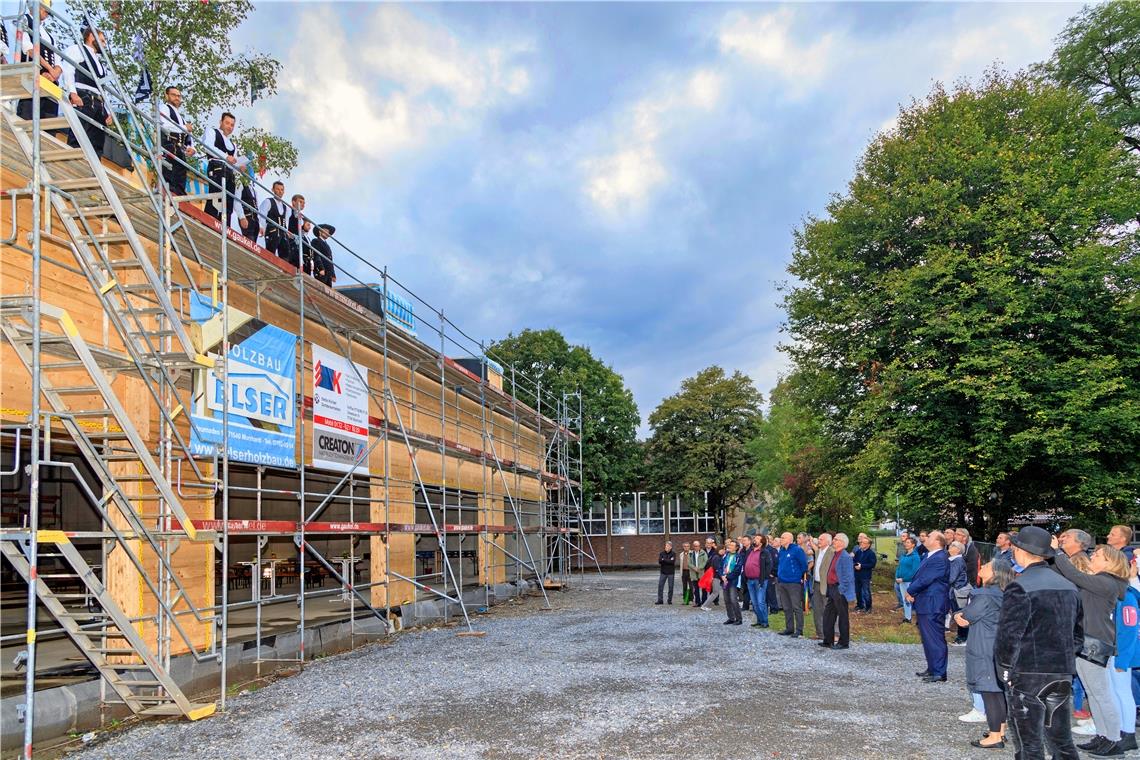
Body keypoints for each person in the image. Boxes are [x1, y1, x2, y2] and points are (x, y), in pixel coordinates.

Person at [995, 525, 1083, 760]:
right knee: (1061, 740)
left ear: (1019, 550)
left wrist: (1005, 670)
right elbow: (1078, 634)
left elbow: (1008, 635)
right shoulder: (1068, 586)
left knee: (1030, 744)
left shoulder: (1020, 586)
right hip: (1061, 671)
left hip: (1028, 673)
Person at [1055, 543, 1129, 756]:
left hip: (1094, 644)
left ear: (1109, 562)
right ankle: (1103, 735)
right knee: (1093, 692)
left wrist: (1057, 552)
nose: (1093, 556)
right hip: (1088, 641)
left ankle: (1114, 740)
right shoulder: (1105, 582)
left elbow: (1073, 574)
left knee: (1101, 694)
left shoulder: (1106, 582)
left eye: (1097, 554)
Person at [955, 560, 1015, 748]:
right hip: (998, 645)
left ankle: (995, 736)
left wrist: (958, 615)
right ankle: (1000, 730)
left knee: (990, 691)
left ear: (995, 573)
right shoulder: (1004, 594)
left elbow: (967, 617)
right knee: (998, 691)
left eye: (987, 566)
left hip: (984, 647)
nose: (982, 567)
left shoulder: (985, 595)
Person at [60, 27, 113, 151]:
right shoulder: (77, 49)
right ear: (91, 37)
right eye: (102, 40)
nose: (104, 44)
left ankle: (93, 169)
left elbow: (101, 88)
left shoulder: (100, 62)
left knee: (97, 142)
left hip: (98, 103)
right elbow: (68, 70)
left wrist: (107, 110)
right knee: (79, 134)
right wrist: (72, 93)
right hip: (83, 96)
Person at [908, 530, 950, 682]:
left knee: (935, 638)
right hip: (925, 602)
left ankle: (939, 672)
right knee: (927, 638)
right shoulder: (928, 555)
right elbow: (919, 576)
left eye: (930, 536)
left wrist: (910, 590)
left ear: (938, 541)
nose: (925, 538)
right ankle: (932, 668)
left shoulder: (940, 557)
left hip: (933, 603)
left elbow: (926, 579)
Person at [1110, 561, 1140, 752]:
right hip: (1114, 651)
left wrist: (1122, 659)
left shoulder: (1127, 596)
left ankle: (1128, 733)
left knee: (1122, 693)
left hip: (1121, 653)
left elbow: (1128, 631)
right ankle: (1119, 730)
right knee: (1115, 693)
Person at [17, 2, 62, 122]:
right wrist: (49, 69)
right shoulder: (24, 20)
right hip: (33, 80)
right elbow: (28, 49)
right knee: (27, 120)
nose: (47, 10)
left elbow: (58, 60)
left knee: (49, 127)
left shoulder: (50, 36)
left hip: (50, 85)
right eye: (44, 6)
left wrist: (53, 74)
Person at [203, 112, 248, 227]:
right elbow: (207, 146)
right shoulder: (213, 132)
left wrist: (239, 167)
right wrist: (226, 156)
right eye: (227, 123)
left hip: (229, 173)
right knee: (216, 197)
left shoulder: (233, 145)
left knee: (228, 203)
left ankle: (225, 228)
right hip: (217, 167)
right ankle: (209, 223)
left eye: (232, 125)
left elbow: (234, 161)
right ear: (221, 122)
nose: (230, 127)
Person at [819, 532, 855, 650]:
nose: (833, 541)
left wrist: (841, 590)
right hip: (832, 589)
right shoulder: (835, 554)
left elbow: (848, 577)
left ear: (842, 542)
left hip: (839, 590)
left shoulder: (845, 557)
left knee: (843, 617)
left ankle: (844, 642)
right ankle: (828, 640)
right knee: (828, 615)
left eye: (835, 539)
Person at [159, 87, 196, 197]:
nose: (177, 98)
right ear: (167, 96)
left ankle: (179, 196)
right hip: (169, 145)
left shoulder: (182, 118)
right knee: (168, 175)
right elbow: (164, 124)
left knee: (180, 179)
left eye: (178, 96)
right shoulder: (164, 107)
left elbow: (188, 136)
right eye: (173, 95)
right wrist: (184, 128)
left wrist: (192, 147)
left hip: (180, 150)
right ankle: (168, 194)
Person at [775, 531, 808, 637]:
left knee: (796, 607)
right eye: (781, 537)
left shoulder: (797, 550)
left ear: (789, 539)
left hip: (793, 583)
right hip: (782, 582)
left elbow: (804, 565)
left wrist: (797, 576)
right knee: (786, 607)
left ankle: (799, 630)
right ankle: (789, 628)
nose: (781, 539)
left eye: (783, 537)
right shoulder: (781, 550)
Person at [811, 532, 833, 639]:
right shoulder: (818, 552)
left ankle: (834, 633)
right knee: (817, 609)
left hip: (827, 585)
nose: (819, 541)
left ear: (828, 541)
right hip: (816, 584)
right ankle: (820, 633)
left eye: (821, 539)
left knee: (829, 609)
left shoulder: (832, 552)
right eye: (819, 539)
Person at [743, 534, 768, 628]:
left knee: (760, 602)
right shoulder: (750, 551)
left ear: (762, 542)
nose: (755, 539)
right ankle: (759, 620)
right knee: (754, 603)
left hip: (759, 581)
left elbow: (768, 566)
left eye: (758, 538)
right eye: (755, 538)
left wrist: (764, 578)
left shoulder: (765, 552)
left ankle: (765, 622)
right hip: (750, 580)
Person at [947, 541, 969, 644]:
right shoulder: (953, 560)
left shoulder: (957, 561)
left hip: (958, 592)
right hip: (955, 592)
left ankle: (963, 638)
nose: (950, 547)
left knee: (960, 614)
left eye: (953, 546)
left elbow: (951, 578)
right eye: (951, 545)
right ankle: (960, 637)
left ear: (958, 550)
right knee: (957, 613)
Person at [258, 181, 289, 256]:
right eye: (278, 189)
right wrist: (263, 228)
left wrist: (286, 232)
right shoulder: (268, 201)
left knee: (285, 255)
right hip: (272, 232)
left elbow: (286, 221)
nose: (280, 191)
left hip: (282, 234)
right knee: (270, 253)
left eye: (282, 190)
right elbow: (261, 216)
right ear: (273, 190)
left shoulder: (285, 207)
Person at [895, 536, 920, 624]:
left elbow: (914, 571)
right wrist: (897, 577)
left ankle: (919, 619)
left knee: (912, 600)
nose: (906, 544)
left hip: (910, 582)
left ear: (913, 545)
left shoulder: (915, 557)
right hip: (901, 581)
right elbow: (899, 567)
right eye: (905, 542)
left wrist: (904, 578)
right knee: (905, 599)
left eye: (908, 542)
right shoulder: (903, 555)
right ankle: (907, 618)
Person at [286, 193, 312, 272]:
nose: (303, 204)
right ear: (293, 202)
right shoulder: (288, 210)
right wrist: (287, 232)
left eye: (304, 203)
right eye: (300, 202)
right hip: (291, 241)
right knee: (292, 264)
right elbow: (286, 222)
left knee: (298, 265)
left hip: (298, 243)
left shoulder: (301, 216)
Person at [852, 535, 877, 613]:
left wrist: (862, 566)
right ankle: (860, 605)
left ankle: (868, 607)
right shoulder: (858, 552)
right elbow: (854, 560)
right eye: (861, 542)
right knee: (857, 591)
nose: (861, 544)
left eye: (863, 543)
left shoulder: (871, 553)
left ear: (868, 544)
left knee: (866, 591)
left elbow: (872, 564)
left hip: (865, 575)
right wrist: (855, 565)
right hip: (857, 574)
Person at [721, 539, 743, 625]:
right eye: (729, 545)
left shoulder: (738, 557)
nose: (729, 546)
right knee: (726, 600)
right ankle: (731, 618)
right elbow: (720, 566)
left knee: (734, 600)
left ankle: (739, 619)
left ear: (736, 548)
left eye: (732, 545)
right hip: (724, 581)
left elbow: (738, 570)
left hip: (733, 581)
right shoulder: (725, 555)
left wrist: (727, 577)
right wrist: (722, 575)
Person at [700, 544, 724, 611]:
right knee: (715, 593)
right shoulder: (717, 557)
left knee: (714, 592)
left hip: (715, 577)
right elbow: (717, 568)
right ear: (719, 550)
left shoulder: (716, 556)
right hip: (716, 577)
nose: (724, 551)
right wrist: (722, 576)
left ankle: (705, 605)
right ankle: (704, 605)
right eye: (723, 549)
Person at [656, 541, 676, 605]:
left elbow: (672, 562)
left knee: (670, 587)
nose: (666, 547)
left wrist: (664, 560)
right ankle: (660, 600)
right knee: (660, 586)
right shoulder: (661, 553)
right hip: (663, 573)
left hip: (671, 573)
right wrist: (668, 560)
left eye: (667, 546)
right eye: (665, 546)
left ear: (671, 547)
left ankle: (669, 600)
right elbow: (659, 561)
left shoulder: (673, 554)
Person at [689, 541, 708, 607]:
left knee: (704, 589)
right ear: (693, 546)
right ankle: (697, 602)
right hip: (694, 573)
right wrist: (694, 568)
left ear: (699, 546)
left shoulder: (703, 553)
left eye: (697, 546)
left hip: (701, 573)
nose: (696, 547)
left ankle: (704, 602)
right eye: (695, 546)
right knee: (696, 589)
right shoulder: (691, 553)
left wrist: (699, 568)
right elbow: (689, 563)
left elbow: (705, 561)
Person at [737, 535, 753, 613]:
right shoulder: (742, 550)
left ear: (749, 541)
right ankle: (745, 606)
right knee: (745, 590)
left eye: (745, 540)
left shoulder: (752, 550)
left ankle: (753, 606)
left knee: (752, 590)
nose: (743, 542)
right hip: (743, 573)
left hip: (750, 572)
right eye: (743, 540)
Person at [678, 541, 692, 606]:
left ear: (689, 547)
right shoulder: (681, 554)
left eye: (687, 546)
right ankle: (685, 599)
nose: (686, 547)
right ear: (683, 547)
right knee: (684, 586)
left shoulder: (692, 553)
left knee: (691, 586)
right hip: (684, 571)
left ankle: (691, 599)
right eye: (685, 546)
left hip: (690, 572)